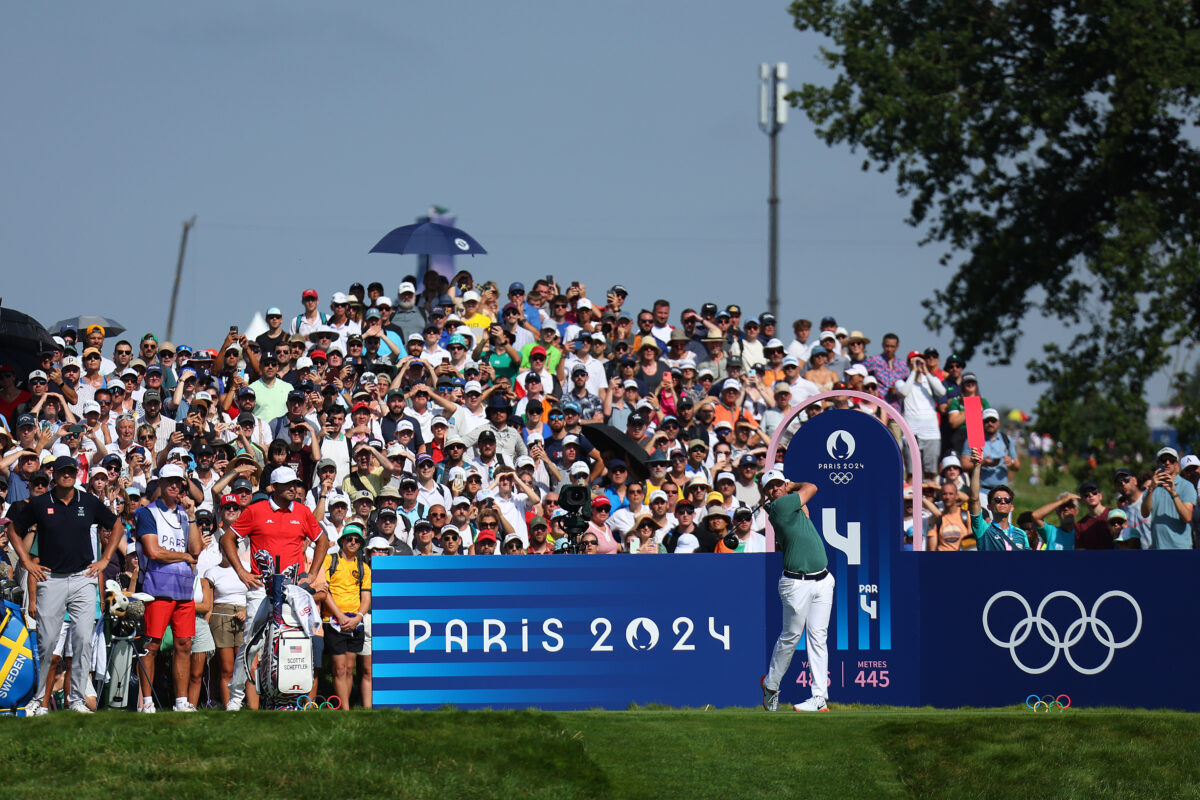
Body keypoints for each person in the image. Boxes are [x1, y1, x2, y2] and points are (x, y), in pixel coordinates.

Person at [8, 456, 125, 714]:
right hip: (51, 579)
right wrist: (27, 562)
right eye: (63, 471)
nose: (67, 475)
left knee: (83, 640)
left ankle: (78, 700)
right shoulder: (40, 503)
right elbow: (13, 530)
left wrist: (105, 559)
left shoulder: (88, 501)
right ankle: (39, 701)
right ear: (55, 475)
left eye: (71, 471)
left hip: (84, 577)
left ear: (76, 474)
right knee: (48, 642)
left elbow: (117, 525)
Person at [134, 463, 204, 712]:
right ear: (160, 484)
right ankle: (148, 702)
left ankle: (181, 702)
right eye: (170, 482)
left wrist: (193, 517)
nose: (175, 486)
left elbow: (196, 550)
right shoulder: (147, 513)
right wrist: (183, 557)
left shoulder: (186, 514)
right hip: (157, 588)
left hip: (184, 588)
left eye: (179, 482)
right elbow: (153, 551)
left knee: (184, 644)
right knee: (151, 645)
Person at [760, 472, 832, 712]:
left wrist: (789, 489)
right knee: (791, 637)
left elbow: (806, 512)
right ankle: (771, 686)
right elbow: (812, 486)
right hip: (796, 584)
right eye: (769, 487)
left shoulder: (792, 506)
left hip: (822, 580)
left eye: (777, 484)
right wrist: (792, 485)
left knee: (818, 638)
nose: (774, 489)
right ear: (766, 494)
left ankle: (819, 697)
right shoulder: (779, 507)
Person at [322, 522, 371, 710]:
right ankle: (345, 710)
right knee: (339, 668)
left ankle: (346, 708)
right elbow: (325, 591)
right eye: (349, 539)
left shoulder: (364, 567)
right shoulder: (329, 560)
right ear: (342, 541)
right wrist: (340, 616)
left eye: (357, 540)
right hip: (334, 621)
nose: (352, 542)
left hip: (355, 622)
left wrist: (358, 617)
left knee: (350, 668)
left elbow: (366, 597)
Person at [966, 448, 1029, 550]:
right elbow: (974, 499)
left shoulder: (1021, 534)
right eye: (998, 500)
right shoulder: (983, 529)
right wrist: (977, 466)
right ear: (989, 506)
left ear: (1012, 507)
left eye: (1007, 500)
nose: (1003, 502)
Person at [1142, 447, 1196, 550]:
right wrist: (1151, 489)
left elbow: (1187, 517)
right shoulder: (1152, 487)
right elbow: (1144, 513)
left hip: (1180, 549)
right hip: (1157, 549)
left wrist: (1173, 493)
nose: (1167, 463)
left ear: (1176, 464)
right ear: (1158, 463)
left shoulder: (1186, 486)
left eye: (1171, 460)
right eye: (1163, 459)